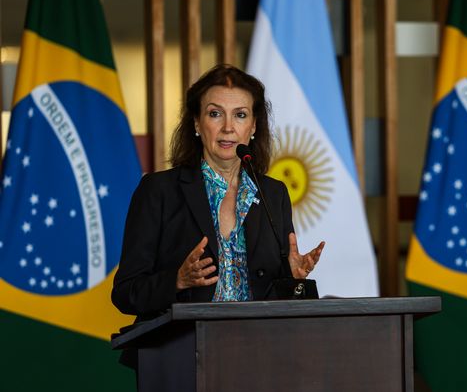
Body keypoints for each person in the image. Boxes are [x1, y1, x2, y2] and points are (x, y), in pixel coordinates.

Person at [112, 64, 325, 324]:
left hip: (258, 348)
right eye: (215, 114)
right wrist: (176, 281)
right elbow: (125, 293)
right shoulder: (158, 191)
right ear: (196, 123)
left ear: (254, 126)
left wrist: (289, 278)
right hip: (179, 350)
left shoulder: (273, 194)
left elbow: (271, 298)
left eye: (240, 115)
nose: (228, 127)